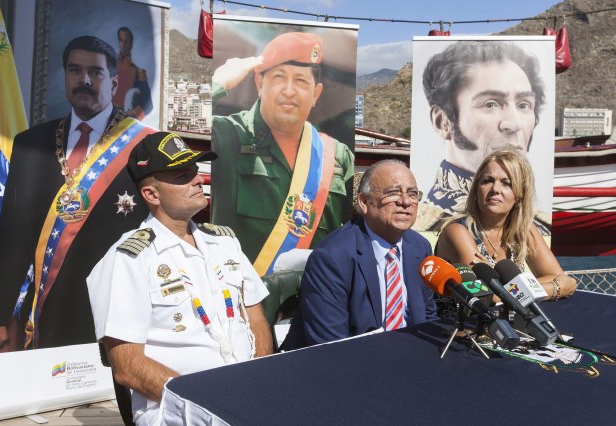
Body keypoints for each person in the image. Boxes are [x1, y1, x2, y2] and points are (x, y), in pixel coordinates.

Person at [87, 131, 272, 425]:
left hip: (248, 397)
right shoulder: (128, 259)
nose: (198, 179)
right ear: (152, 194)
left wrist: (259, 378)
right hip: (177, 410)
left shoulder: (225, 242)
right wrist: (205, 401)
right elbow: (127, 366)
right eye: (183, 175)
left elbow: (256, 316)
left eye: (196, 171)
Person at [0, 35, 154, 351]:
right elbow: (13, 236)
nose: (84, 80)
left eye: (96, 73)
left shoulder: (145, 145)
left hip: (116, 312)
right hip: (48, 310)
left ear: (114, 81)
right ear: (65, 76)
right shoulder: (30, 143)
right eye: (74, 70)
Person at [210, 31, 355, 276]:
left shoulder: (338, 155)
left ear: (315, 94)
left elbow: (352, 235)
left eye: (300, 81)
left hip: (313, 301)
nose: (289, 90)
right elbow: (173, 145)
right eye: (278, 77)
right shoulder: (228, 135)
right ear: (259, 83)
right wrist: (218, 83)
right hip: (241, 300)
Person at [281, 160, 439, 349]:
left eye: (412, 194)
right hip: (352, 364)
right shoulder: (332, 257)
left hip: (411, 358)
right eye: (393, 193)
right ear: (364, 202)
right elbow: (330, 346)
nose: (405, 202)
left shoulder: (419, 247)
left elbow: (429, 318)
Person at [416, 40, 548, 231]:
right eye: (490, 104)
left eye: (523, 105)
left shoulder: (538, 226)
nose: (514, 123)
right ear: (442, 121)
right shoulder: (435, 225)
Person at [435, 148, 577, 301]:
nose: (495, 189)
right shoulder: (457, 232)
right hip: (459, 324)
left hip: (510, 323)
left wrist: (511, 289)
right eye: (487, 181)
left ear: (520, 195)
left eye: (506, 183)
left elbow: (558, 276)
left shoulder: (523, 229)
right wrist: (555, 288)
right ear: (476, 189)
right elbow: (491, 297)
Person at [113, 26, 153, 120]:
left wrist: (132, 115)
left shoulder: (139, 72)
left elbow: (148, 104)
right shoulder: (108, 67)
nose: (123, 44)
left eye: (126, 41)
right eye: (121, 40)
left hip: (122, 122)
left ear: (131, 44)